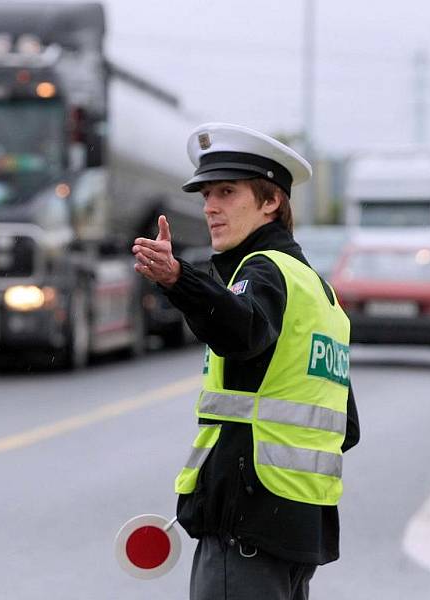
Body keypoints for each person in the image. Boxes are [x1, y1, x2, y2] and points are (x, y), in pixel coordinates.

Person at [131, 122, 360, 600]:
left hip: (246, 526)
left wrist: (179, 280)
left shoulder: (264, 270)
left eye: (228, 192)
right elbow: (346, 427)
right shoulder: (321, 294)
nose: (210, 206)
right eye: (206, 194)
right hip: (297, 530)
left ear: (271, 201)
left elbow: (241, 332)